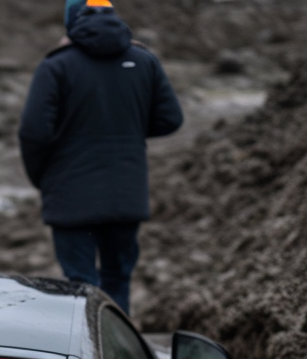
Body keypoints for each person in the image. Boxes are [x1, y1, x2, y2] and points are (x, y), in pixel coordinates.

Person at [18, 0, 183, 313]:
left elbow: (34, 132)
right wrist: (127, 131)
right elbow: (170, 119)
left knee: (79, 285)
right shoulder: (144, 60)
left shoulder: (56, 65)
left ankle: (87, 356)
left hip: (70, 194)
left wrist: (42, 177)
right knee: (118, 278)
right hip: (127, 194)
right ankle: (115, 356)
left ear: (71, 22)